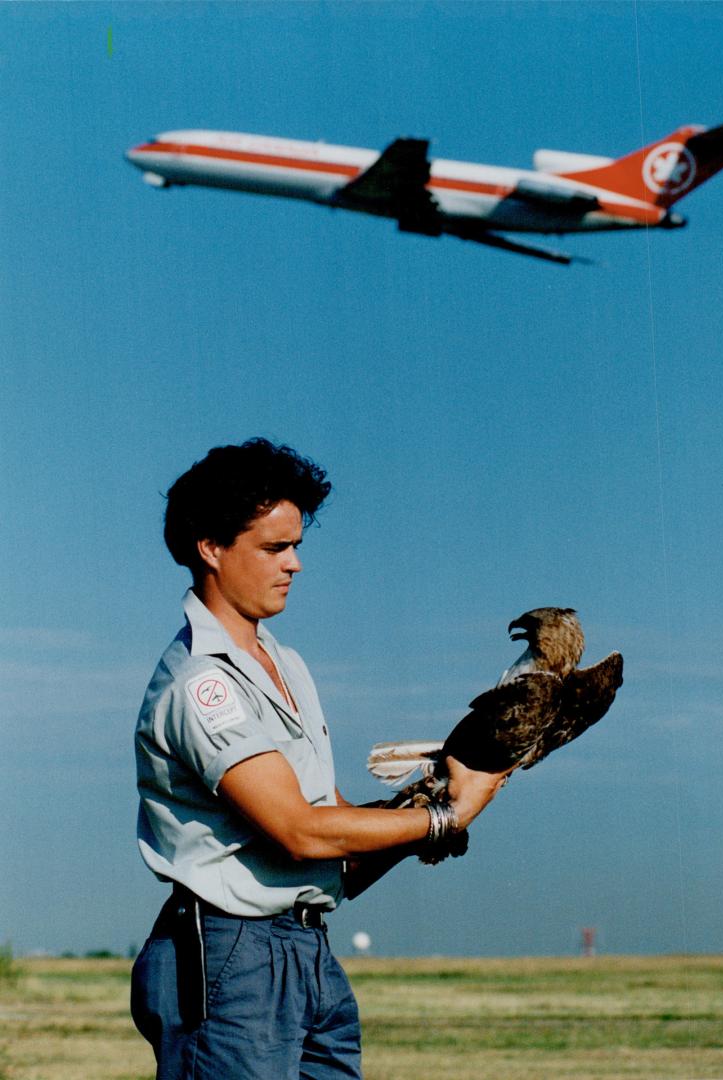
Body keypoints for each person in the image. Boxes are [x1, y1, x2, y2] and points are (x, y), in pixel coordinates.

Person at [130, 438, 505, 1080]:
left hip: (309, 950)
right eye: (274, 548)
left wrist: (426, 810)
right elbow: (300, 832)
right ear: (211, 548)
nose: (295, 564)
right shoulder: (202, 684)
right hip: (231, 956)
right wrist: (445, 819)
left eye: (297, 545)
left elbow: (336, 836)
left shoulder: (287, 665)